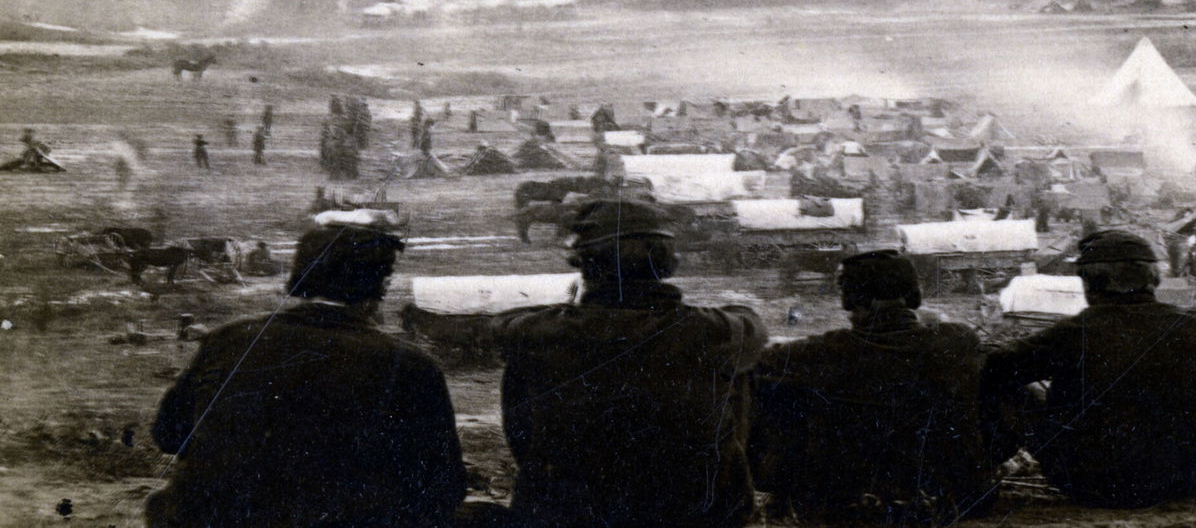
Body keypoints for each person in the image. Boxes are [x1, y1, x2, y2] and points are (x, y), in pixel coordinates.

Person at [147, 225, 466, 527]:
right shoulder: (410, 364)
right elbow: (445, 483)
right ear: (382, 286)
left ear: (298, 275)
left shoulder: (228, 338)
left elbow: (169, 434)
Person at [496, 198, 767, 528]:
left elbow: (505, 331)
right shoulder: (718, 330)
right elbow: (750, 323)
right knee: (736, 373)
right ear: (667, 264)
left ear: (582, 264)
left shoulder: (538, 332)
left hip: (571, 511)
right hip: (694, 511)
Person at [984, 229, 1196, 508]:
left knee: (1014, 392)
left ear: (1089, 282)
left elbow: (994, 369)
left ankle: (976, 473)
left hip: (1099, 481)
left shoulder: (1075, 332)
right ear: (1153, 279)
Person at [752, 250, 1013, 523]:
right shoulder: (959, 340)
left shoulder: (822, 352)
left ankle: (780, 493)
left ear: (849, 299)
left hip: (845, 506)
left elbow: (756, 362)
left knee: (773, 392)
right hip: (954, 498)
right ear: (914, 295)